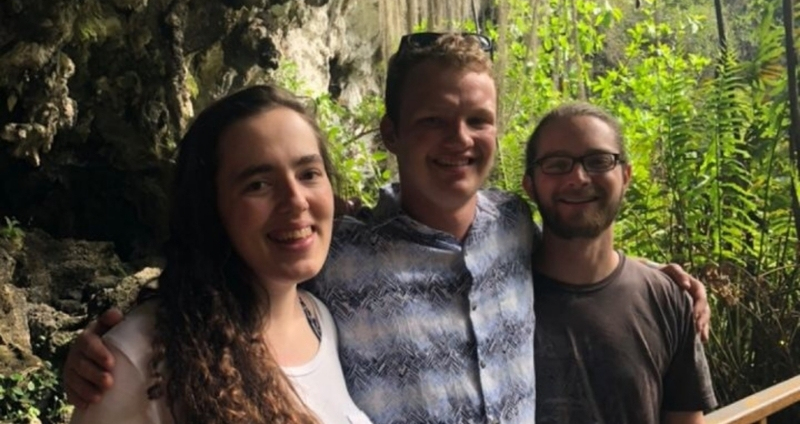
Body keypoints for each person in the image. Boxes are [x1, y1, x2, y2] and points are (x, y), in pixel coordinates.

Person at [64, 34, 709, 423]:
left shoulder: (514, 226)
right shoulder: (335, 252)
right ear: (391, 134)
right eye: (433, 120)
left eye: (478, 121)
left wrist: (662, 283)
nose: (459, 140)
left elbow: (583, 251)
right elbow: (223, 276)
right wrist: (109, 346)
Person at [68, 85, 372, 424]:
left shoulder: (321, 321)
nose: (297, 200)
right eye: (258, 184)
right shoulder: (139, 358)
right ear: (209, 208)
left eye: (308, 174)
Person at [524, 102, 717, 423]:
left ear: (626, 175)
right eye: (557, 164)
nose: (579, 177)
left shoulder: (667, 299)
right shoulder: (495, 296)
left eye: (599, 161)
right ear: (529, 184)